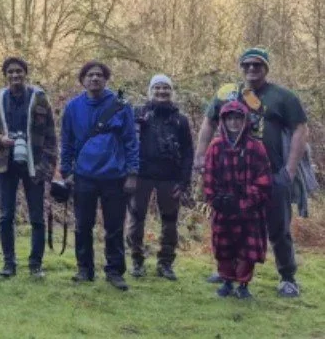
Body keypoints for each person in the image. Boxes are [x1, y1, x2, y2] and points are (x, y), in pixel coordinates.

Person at [193, 47, 315, 297]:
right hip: (231, 177)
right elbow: (209, 122)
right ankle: (227, 272)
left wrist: (289, 171)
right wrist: (200, 156)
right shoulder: (227, 93)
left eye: (257, 65)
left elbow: (300, 130)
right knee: (228, 226)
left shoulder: (283, 96)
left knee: (278, 228)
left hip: (269, 176)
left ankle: (287, 276)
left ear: (266, 68)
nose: (251, 69)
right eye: (246, 65)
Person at [60, 61, 139, 291]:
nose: (94, 79)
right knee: (83, 225)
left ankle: (115, 272)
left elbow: (131, 142)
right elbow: (66, 141)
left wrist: (132, 173)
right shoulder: (72, 107)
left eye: (99, 75)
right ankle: (84, 269)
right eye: (90, 75)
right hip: (83, 175)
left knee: (114, 226)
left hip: (115, 175)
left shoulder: (121, 106)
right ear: (83, 80)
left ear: (106, 80)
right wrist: (66, 171)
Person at [0, 57, 57, 278]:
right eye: (11, 72)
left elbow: (51, 136)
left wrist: (49, 165)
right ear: (5, 75)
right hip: (6, 164)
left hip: (34, 165)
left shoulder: (40, 98)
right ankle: (9, 264)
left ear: (26, 74)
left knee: (36, 217)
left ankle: (36, 265)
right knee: (6, 216)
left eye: (19, 72)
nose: (15, 76)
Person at [126, 74, 193, 281]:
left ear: (171, 92)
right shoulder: (138, 114)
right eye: (157, 88)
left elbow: (188, 152)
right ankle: (137, 261)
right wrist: (128, 174)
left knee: (170, 222)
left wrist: (183, 182)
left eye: (165, 88)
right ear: (150, 91)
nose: (161, 92)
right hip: (141, 176)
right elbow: (126, 143)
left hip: (169, 178)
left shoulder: (180, 120)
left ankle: (165, 263)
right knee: (136, 219)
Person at [204, 100, 272, 300]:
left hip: (249, 210)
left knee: (246, 249)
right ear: (223, 121)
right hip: (223, 208)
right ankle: (226, 281)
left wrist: (246, 200)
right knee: (224, 246)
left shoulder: (256, 147)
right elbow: (208, 177)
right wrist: (215, 199)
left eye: (238, 118)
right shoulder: (215, 147)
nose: (234, 123)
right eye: (230, 118)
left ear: (245, 121)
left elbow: (264, 180)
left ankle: (243, 284)